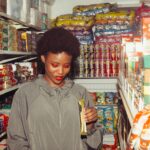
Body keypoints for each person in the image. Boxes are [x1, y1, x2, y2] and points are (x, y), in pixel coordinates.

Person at [7, 27, 103, 150]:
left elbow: (93, 143)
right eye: (55, 65)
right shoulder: (25, 94)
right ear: (43, 58)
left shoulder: (80, 93)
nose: (61, 72)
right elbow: (16, 141)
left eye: (66, 66)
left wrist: (90, 126)